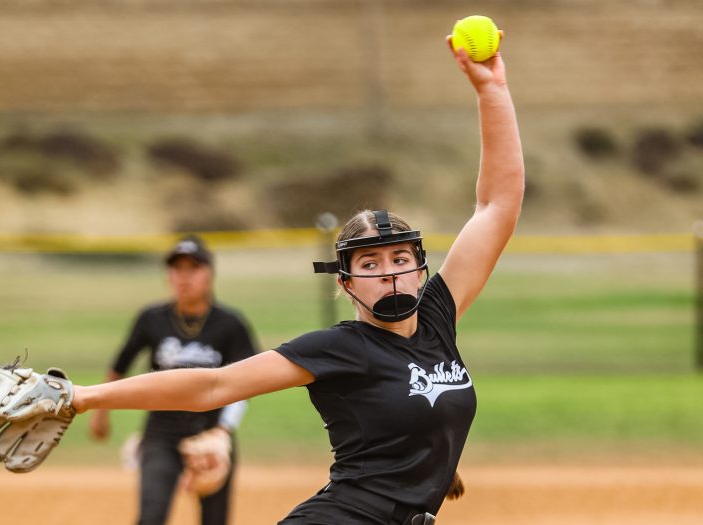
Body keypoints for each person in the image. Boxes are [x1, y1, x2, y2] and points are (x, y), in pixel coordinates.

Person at [74, 33, 524, 525]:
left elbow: (496, 205)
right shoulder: (339, 348)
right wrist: (82, 398)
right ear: (345, 282)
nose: (389, 274)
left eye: (399, 258)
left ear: (420, 268)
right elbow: (213, 385)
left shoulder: (438, 316)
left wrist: (492, 90)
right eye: (369, 264)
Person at [88, 234, 258, 525]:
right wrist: (100, 414)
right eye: (177, 269)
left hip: (210, 434)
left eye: (193, 268)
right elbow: (120, 366)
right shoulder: (152, 318)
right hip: (161, 434)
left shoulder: (230, 323)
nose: (184, 277)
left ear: (209, 274)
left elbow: (248, 382)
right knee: (150, 517)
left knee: (215, 521)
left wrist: (223, 431)